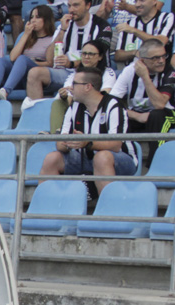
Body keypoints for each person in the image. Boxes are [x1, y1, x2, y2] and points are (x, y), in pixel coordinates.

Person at [40, 66, 137, 195]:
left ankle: (108, 208)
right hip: (85, 157)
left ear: (88, 87)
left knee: (102, 157)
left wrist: (88, 143)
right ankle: (45, 207)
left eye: (74, 83)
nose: (70, 87)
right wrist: (69, 143)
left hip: (121, 160)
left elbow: (116, 144)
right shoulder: (74, 107)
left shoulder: (114, 105)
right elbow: (60, 144)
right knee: (52, 158)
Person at [24, 0, 111, 106]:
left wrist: (71, 63)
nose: (71, 10)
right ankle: (36, 115)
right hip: (67, 73)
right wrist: (62, 31)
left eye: (76, 5)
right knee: (34, 73)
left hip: (92, 73)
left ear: (88, 5)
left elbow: (94, 59)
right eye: (69, 6)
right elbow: (49, 58)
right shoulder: (65, 26)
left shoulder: (102, 26)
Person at [0, 3, 55, 100]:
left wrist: (30, 62)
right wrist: (26, 35)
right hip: (20, 75)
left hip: (36, 75)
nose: (33, 20)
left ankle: (5, 91)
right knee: (1, 61)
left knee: (22, 59)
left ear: (46, 19)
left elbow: (50, 63)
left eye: (37, 17)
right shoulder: (27, 36)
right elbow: (12, 57)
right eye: (32, 17)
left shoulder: (52, 38)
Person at [109, 39, 173, 138]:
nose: (161, 61)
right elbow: (111, 102)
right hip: (137, 114)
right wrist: (137, 116)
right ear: (142, 60)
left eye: (164, 56)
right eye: (155, 58)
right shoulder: (129, 70)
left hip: (166, 113)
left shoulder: (169, 71)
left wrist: (145, 77)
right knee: (119, 116)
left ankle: (156, 152)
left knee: (157, 115)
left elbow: (159, 104)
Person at [49, 40, 117, 132]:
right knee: (58, 103)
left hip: (96, 107)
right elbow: (70, 100)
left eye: (91, 54)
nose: (86, 57)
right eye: (84, 53)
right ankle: (57, 134)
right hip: (77, 106)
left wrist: (80, 93)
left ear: (100, 57)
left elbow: (104, 96)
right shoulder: (75, 74)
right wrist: (64, 96)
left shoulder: (108, 73)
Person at [111, 0, 172, 66]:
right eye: (136, 1)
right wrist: (135, 52)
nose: (137, 5)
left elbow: (161, 42)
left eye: (142, 1)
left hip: (159, 71)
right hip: (132, 70)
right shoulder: (129, 24)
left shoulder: (167, 18)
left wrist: (134, 31)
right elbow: (118, 55)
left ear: (154, 1)